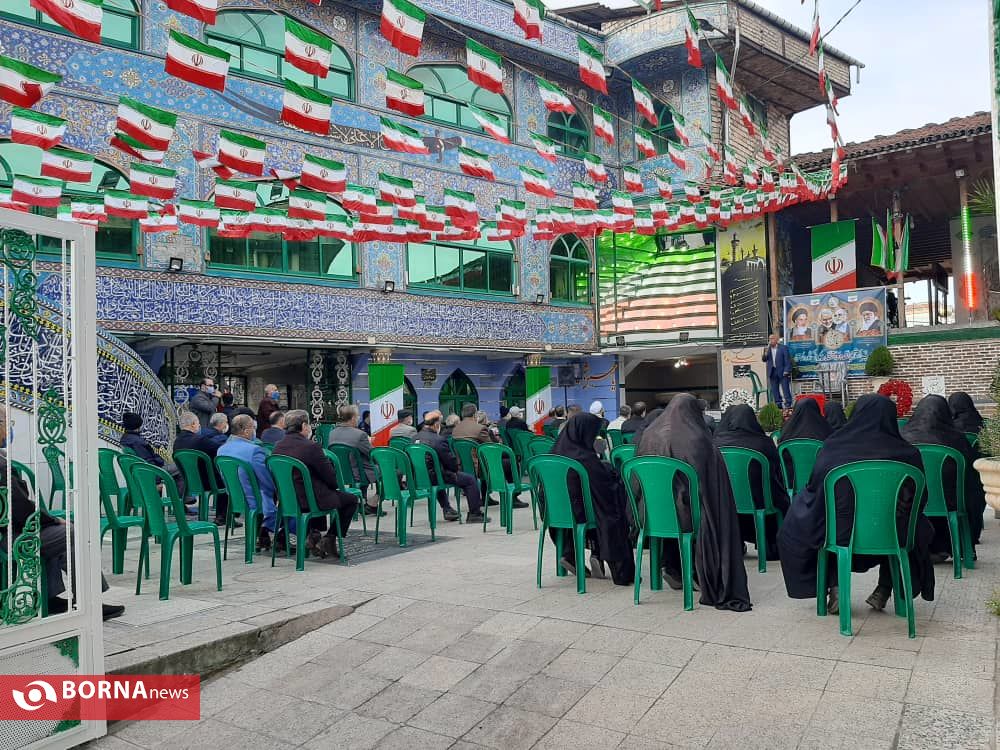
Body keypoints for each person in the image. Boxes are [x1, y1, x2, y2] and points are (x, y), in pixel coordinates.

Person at [777, 394, 934, 614]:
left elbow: (815, 488)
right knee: (910, 523)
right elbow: (919, 498)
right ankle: (884, 588)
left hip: (840, 533)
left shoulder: (833, 448)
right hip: (891, 532)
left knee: (819, 518)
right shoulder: (909, 454)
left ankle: (835, 586)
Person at [1, 406, 124, 620]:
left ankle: (51, 598)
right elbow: (20, 509)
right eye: (8, 424)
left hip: (9, 531)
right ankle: (89, 600)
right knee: (72, 534)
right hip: (11, 536)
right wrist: (52, 520)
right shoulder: (2, 465)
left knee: (56, 536)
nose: (10, 430)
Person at [637, 394, 752, 611]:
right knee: (706, 507)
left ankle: (672, 567)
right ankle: (698, 571)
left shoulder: (649, 435)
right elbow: (711, 485)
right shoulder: (697, 439)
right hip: (686, 516)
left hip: (650, 513)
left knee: (678, 500)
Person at [549, 412, 635, 585]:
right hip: (582, 514)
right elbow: (605, 488)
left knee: (591, 502)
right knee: (610, 506)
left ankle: (570, 552)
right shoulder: (584, 458)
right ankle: (603, 556)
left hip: (557, 514)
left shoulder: (552, 455)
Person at [902, 394, 986, 555]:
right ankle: (959, 546)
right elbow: (970, 477)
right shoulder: (957, 439)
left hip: (914, 505)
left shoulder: (903, 438)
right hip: (951, 505)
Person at [272, 410, 358, 558]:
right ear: (304, 426)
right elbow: (331, 479)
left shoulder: (277, 447)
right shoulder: (311, 447)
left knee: (319, 491)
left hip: (287, 500)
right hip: (309, 500)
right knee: (350, 499)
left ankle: (314, 535)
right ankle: (329, 538)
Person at [713, 404, 789, 559]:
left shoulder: (716, 443)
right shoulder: (763, 443)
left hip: (724, 503)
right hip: (760, 503)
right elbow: (776, 472)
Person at [217, 414, 279, 551]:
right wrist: (278, 490)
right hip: (255, 500)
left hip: (234, 499)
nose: (254, 430)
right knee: (285, 498)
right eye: (253, 427)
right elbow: (266, 479)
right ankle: (278, 535)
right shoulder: (254, 450)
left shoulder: (221, 450)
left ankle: (263, 534)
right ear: (245, 431)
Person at [415, 410, 482, 523]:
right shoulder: (438, 440)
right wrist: (455, 469)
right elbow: (450, 463)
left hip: (421, 476)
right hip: (437, 476)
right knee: (470, 480)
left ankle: (447, 509)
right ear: (436, 424)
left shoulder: (414, 439)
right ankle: (475, 514)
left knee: (436, 477)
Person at [328, 404, 381, 516]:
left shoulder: (332, 433)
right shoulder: (360, 435)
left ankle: (362, 501)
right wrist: (369, 443)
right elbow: (372, 454)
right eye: (357, 416)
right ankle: (373, 503)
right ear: (352, 418)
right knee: (389, 471)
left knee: (361, 464)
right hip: (359, 474)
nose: (358, 418)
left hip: (340, 473)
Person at [762, 334, 793, 409]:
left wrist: (787, 370)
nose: (770, 340)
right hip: (772, 371)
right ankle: (778, 404)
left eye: (772, 338)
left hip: (782, 371)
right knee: (775, 389)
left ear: (777, 340)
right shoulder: (767, 349)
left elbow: (787, 360)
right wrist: (765, 353)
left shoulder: (783, 348)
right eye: (769, 339)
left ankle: (788, 404)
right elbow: (764, 359)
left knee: (785, 388)